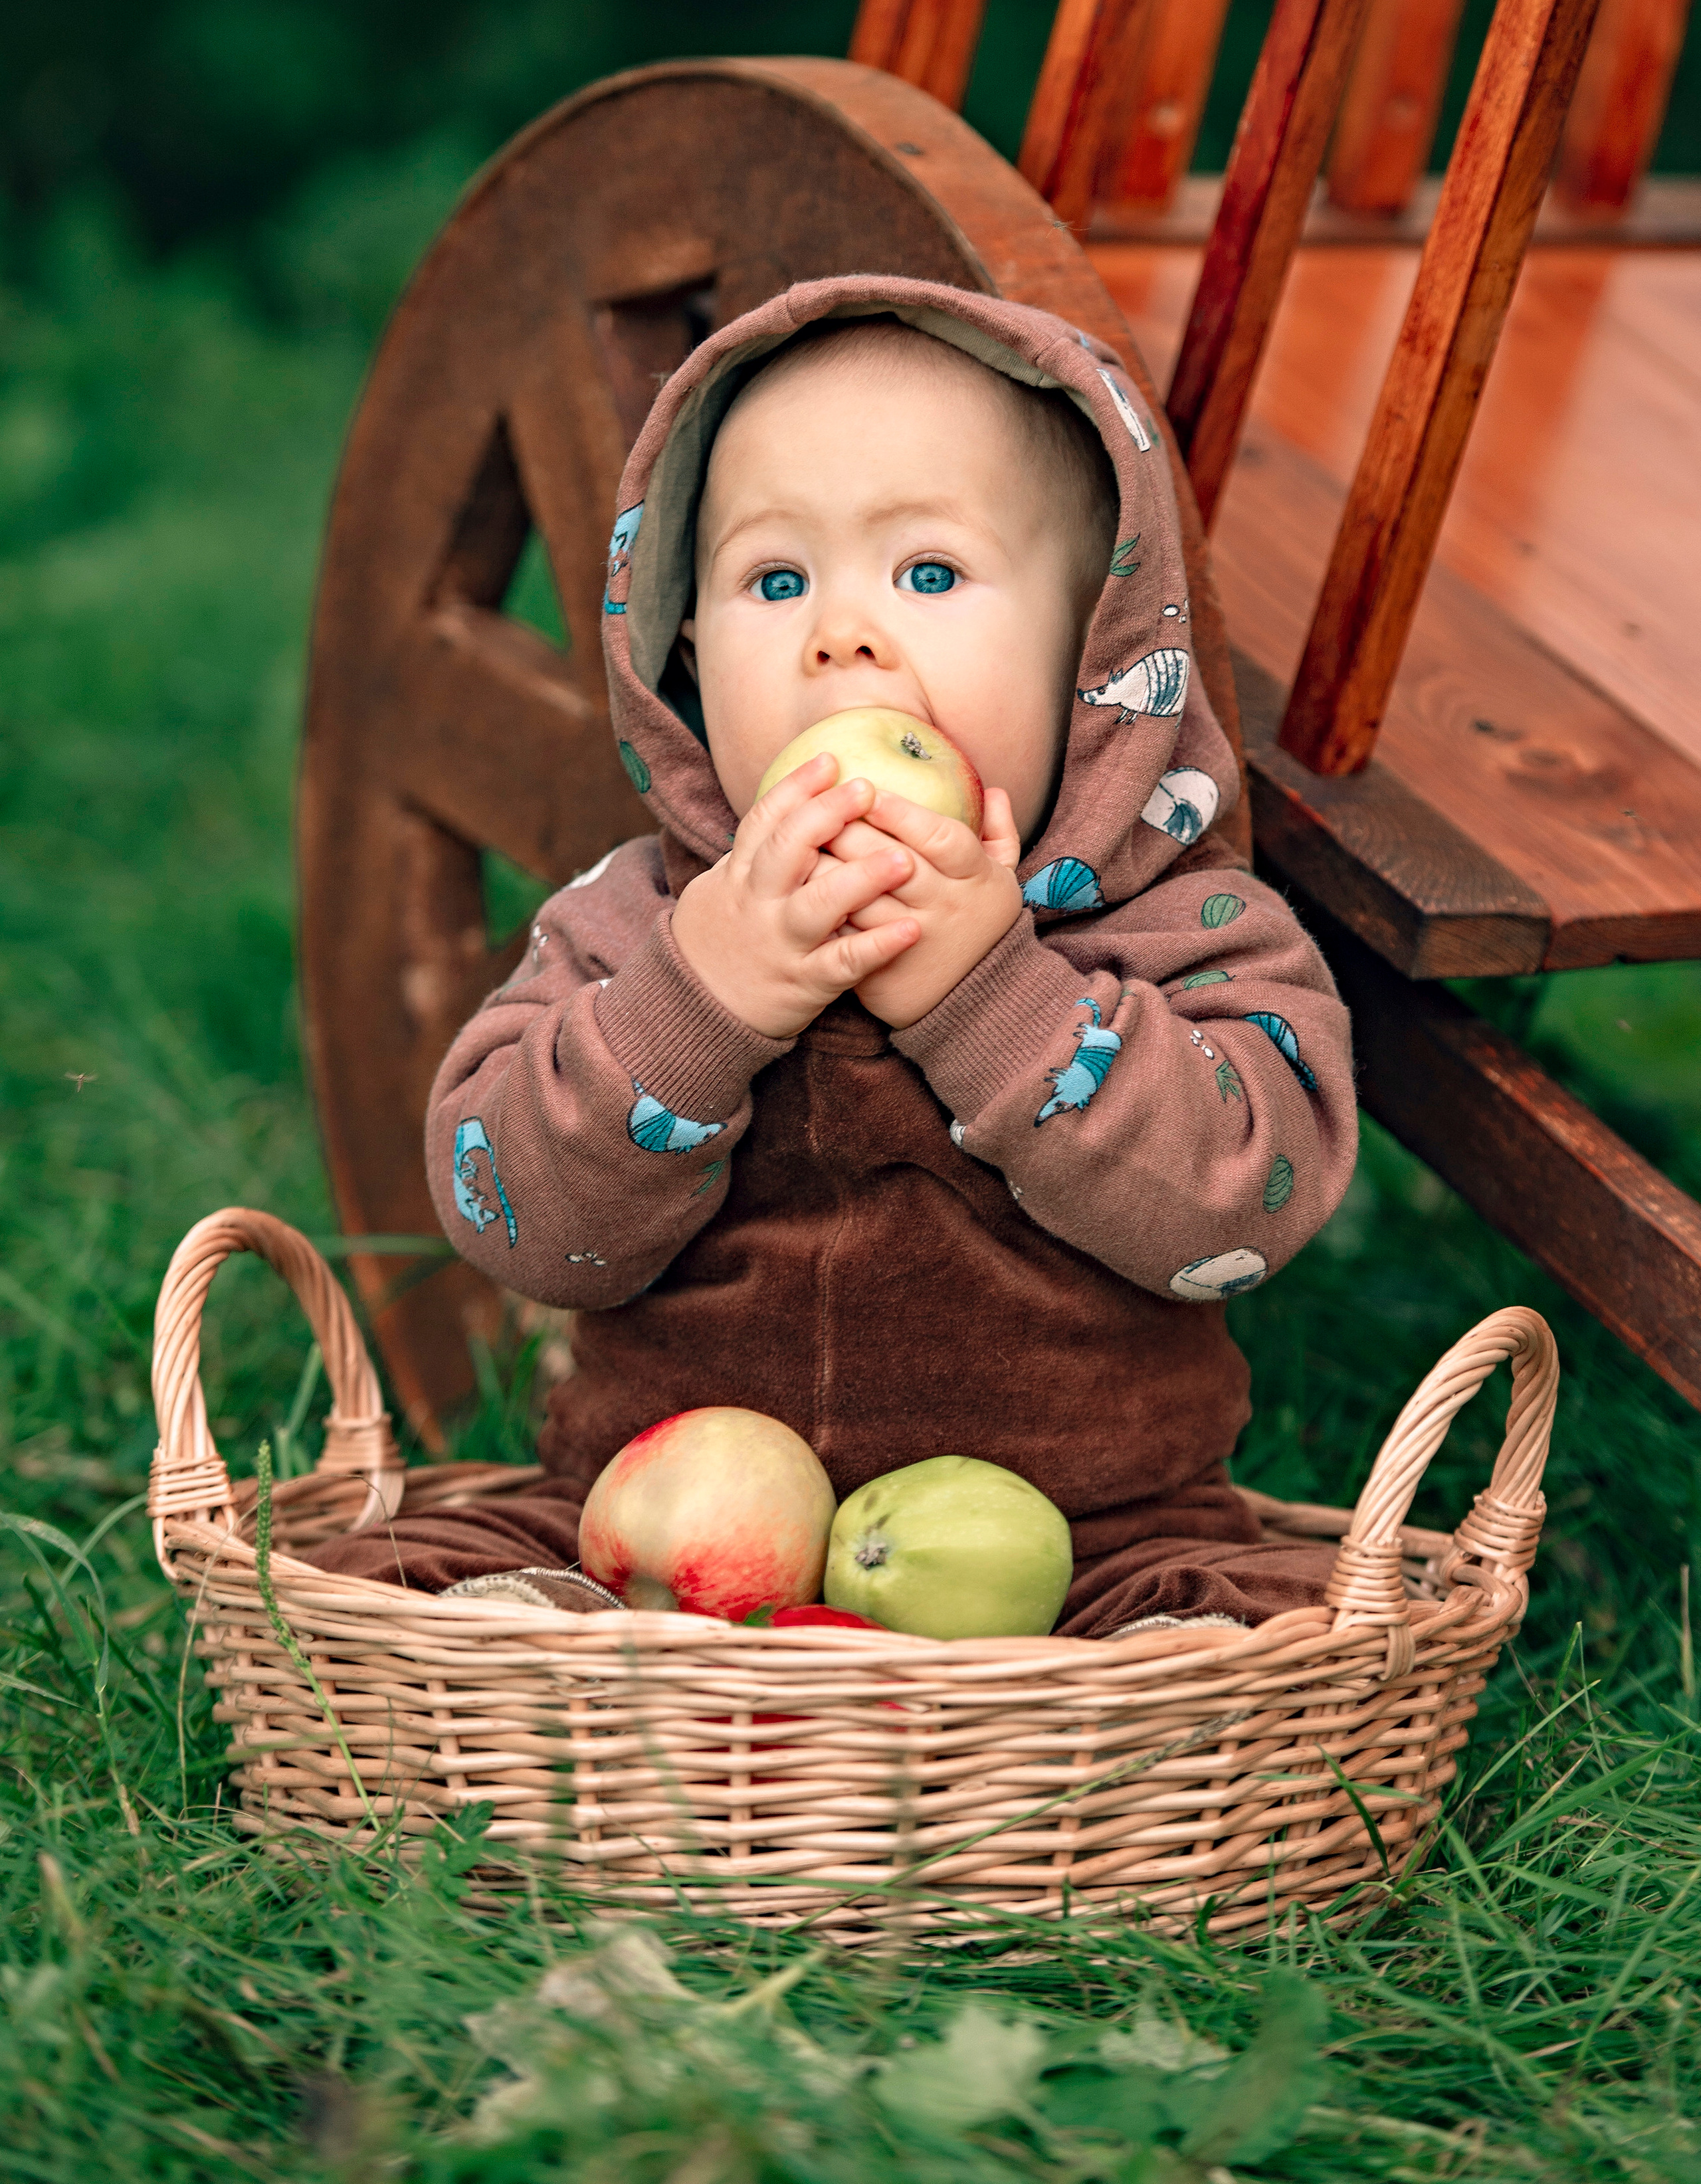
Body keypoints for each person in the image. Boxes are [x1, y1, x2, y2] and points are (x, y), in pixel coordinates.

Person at [310, 274, 1358, 1642]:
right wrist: (702, 1000)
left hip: (1082, 1548)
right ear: (681, 645)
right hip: (659, 1543)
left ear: (1090, 651)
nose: (838, 634)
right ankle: (570, 1697)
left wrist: (993, 998)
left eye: (927, 573)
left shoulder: (1181, 928)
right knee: (394, 1593)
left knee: (1243, 1637)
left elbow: (1238, 1201)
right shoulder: (637, 924)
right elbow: (512, 1212)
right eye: (774, 577)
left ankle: (1100, 1744)